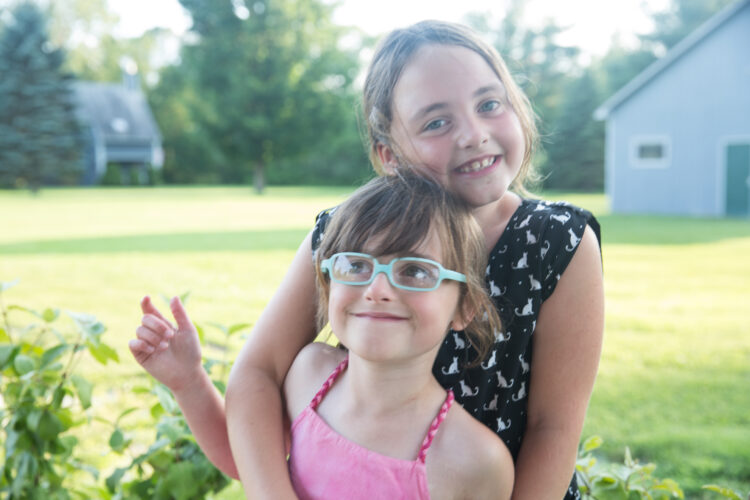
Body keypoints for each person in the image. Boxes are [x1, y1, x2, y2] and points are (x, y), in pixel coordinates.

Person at [131, 19, 604, 499]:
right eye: (437, 122)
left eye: (489, 104)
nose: (474, 134)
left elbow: (554, 428)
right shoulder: (350, 239)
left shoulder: (556, 241)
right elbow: (259, 374)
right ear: (389, 154)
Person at [131, 172, 514, 499]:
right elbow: (243, 462)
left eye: (414, 271)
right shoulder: (310, 375)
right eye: (356, 265)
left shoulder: (474, 460)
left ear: (466, 307)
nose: (376, 289)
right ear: (328, 285)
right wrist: (188, 382)